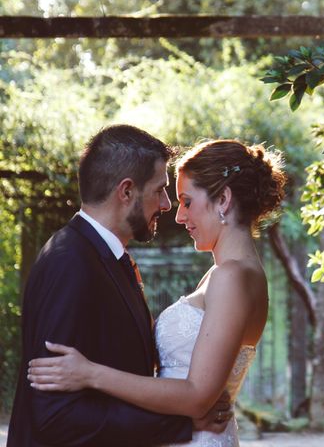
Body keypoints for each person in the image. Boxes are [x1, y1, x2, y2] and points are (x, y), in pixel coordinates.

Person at [27, 139, 287, 447]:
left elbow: (196, 397)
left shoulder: (230, 277)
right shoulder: (232, 275)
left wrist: (89, 373)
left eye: (187, 202)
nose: (178, 216)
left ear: (223, 200)